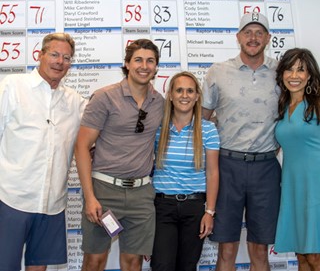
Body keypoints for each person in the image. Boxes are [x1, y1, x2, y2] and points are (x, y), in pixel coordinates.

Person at [74, 39, 164, 271]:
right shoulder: (104, 97)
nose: (144, 66)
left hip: (142, 195)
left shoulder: (160, 103)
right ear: (127, 64)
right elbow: (82, 146)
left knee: (133, 262)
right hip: (104, 191)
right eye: (138, 60)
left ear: (156, 67)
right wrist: (90, 197)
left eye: (150, 61)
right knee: (95, 260)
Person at [202, 12, 281, 271]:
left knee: (260, 250)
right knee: (227, 247)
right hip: (228, 166)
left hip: (266, 167)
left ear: (268, 38)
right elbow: (202, 119)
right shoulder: (218, 72)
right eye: (248, 32)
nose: (253, 38)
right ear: (238, 37)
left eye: (259, 32)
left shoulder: (282, 72)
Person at [0, 33, 86, 271]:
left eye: (66, 57)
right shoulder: (12, 87)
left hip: (52, 204)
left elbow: (98, 135)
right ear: (40, 55)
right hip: (11, 199)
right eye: (55, 54)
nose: (60, 61)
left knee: (39, 268)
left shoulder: (76, 102)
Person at [150, 71, 220, 271]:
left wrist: (210, 212)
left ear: (197, 96)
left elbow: (213, 173)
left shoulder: (208, 130)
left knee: (187, 266)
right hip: (162, 207)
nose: (184, 95)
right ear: (170, 95)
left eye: (190, 91)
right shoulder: (158, 128)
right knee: (162, 265)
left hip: (195, 208)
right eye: (179, 90)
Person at [274, 48, 320, 271]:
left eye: (301, 70)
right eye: (289, 69)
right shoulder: (282, 107)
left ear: (310, 75)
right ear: (282, 74)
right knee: (301, 255)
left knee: (315, 256)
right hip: (293, 187)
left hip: (316, 187)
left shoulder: (318, 104)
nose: (294, 75)